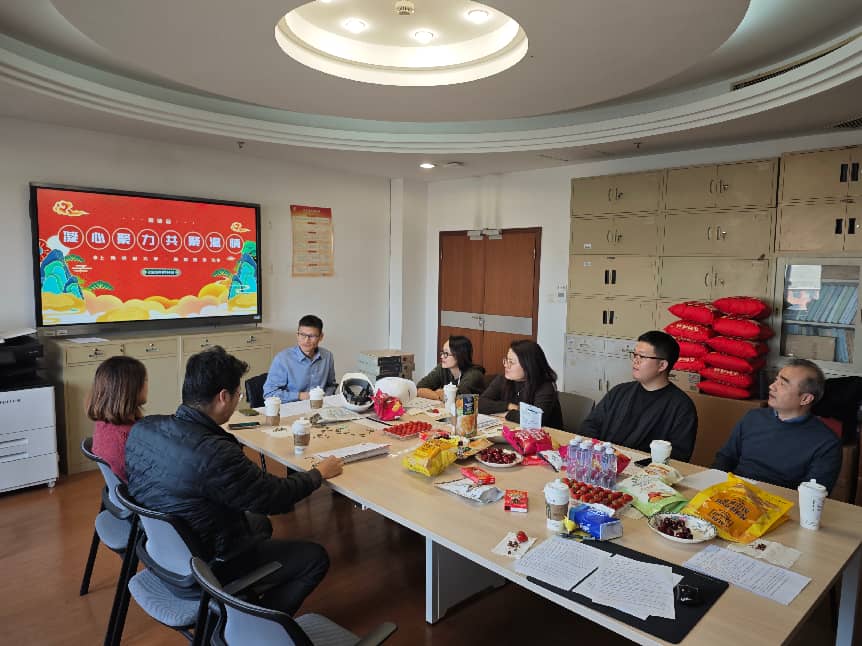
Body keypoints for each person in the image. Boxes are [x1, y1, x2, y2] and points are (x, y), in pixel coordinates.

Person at [125, 346, 344, 615]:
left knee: (259, 523)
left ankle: (246, 594)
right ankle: (252, 623)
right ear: (223, 397)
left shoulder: (143, 429)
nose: (238, 401)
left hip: (163, 554)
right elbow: (274, 497)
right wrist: (318, 474)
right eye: (238, 395)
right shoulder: (214, 453)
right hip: (205, 566)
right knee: (315, 558)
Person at [712, 359, 842, 491]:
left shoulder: (826, 443)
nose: (772, 386)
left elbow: (812, 494)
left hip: (780, 500)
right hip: (733, 492)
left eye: (783, 384)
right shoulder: (753, 417)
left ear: (805, 399)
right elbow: (725, 458)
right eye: (776, 380)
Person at [579, 330, 697, 461]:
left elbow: (679, 456)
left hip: (645, 470)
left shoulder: (682, 407)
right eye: (635, 355)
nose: (635, 361)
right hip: (603, 462)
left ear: (662, 365)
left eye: (642, 357)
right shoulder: (619, 391)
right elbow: (590, 425)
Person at [88, 356, 148, 482]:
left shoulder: (104, 424)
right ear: (130, 389)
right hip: (139, 492)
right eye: (145, 380)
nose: (147, 385)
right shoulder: (126, 439)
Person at [479, 340, 562, 429]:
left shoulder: (545, 387)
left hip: (548, 435)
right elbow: (480, 403)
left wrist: (504, 413)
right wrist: (509, 406)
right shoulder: (504, 379)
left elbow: (535, 420)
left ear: (529, 365)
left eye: (511, 362)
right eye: (506, 360)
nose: (506, 365)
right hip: (515, 430)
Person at [263, 314, 337, 403]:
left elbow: (331, 386)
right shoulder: (283, 359)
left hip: (320, 406)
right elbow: (269, 393)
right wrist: (300, 396)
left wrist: (324, 396)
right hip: (292, 407)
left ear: (321, 336)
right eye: (302, 335)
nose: (306, 340)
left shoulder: (327, 356)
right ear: (297, 335)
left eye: (312, 336)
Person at [416, 335, 485, 400]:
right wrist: (438, 395)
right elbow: (419, 388)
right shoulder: (443, 368)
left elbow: (457, 398)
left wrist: (439, 394)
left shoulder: (474, 375)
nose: (442, 356)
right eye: (442, 352)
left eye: (446, 353)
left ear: (459, 355)